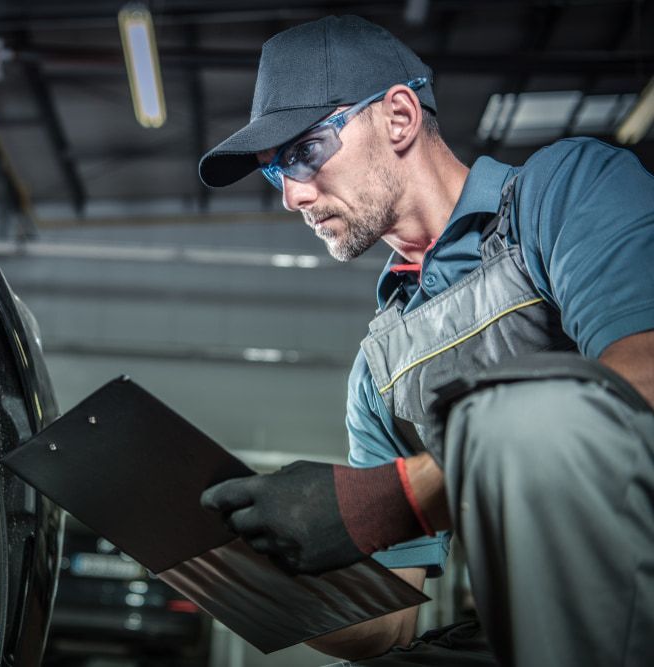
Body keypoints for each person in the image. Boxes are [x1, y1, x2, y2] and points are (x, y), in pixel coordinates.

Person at [196, 15, 654, 667]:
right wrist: (228, 572)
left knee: (530, 414)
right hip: (535, 634)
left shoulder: (564, 192)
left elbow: (642, 379)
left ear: (400, 116)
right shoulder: (380, 369)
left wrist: (389, 498)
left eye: (303, 152)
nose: (294, 195)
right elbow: (390, 619)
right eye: (276, 173)